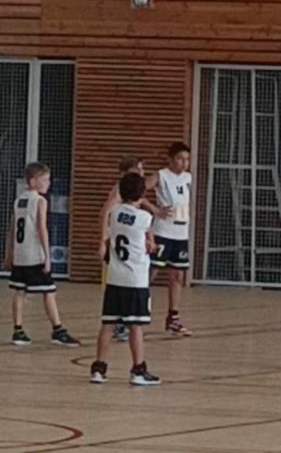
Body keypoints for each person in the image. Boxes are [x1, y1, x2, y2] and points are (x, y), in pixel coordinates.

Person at [90, 172, 160, 385]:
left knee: (108, 325)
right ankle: (138, 370)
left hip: (115, 278)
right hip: (135, 280)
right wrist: (151, 245)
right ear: (142, 194)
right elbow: (149, 243)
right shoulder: (145, 218)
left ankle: (98, 369)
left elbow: (111, 219)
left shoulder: (115, 213)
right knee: (136, 326)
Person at [5, 162, 80, 348]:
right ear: (33, 181)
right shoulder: (40, 201)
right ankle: (58, 330)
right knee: (49, 291)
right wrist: (48, 257)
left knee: (19, 292)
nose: (48, 183)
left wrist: (9, 254)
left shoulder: (18, 200)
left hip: (20, 255)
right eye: (45, 179)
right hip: (34, 255)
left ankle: (18, 330)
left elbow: (12, 229)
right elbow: (42, 229)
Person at [102, 156, 159, 343]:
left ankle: (124, 324)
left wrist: (154, 211)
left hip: (128, 239)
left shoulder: (132, 194)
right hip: (118, 241)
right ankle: (123, 325)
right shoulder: (119, 191)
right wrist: (102, 240)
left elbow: (142, 206)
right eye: (138, 169)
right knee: (122, 285)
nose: (142, 173)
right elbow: (105, 212)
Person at [150, 142, 193, 336]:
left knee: (178, 275)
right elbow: (138, 192)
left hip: (181, 234)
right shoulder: (161, 175)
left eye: (187, 159)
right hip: (163, 232)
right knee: (151, 272)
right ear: (171, 159)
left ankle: (173, 318)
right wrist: (155, 209)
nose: (184, 163)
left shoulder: (188, 178)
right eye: (180, 158)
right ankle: (130, 313)